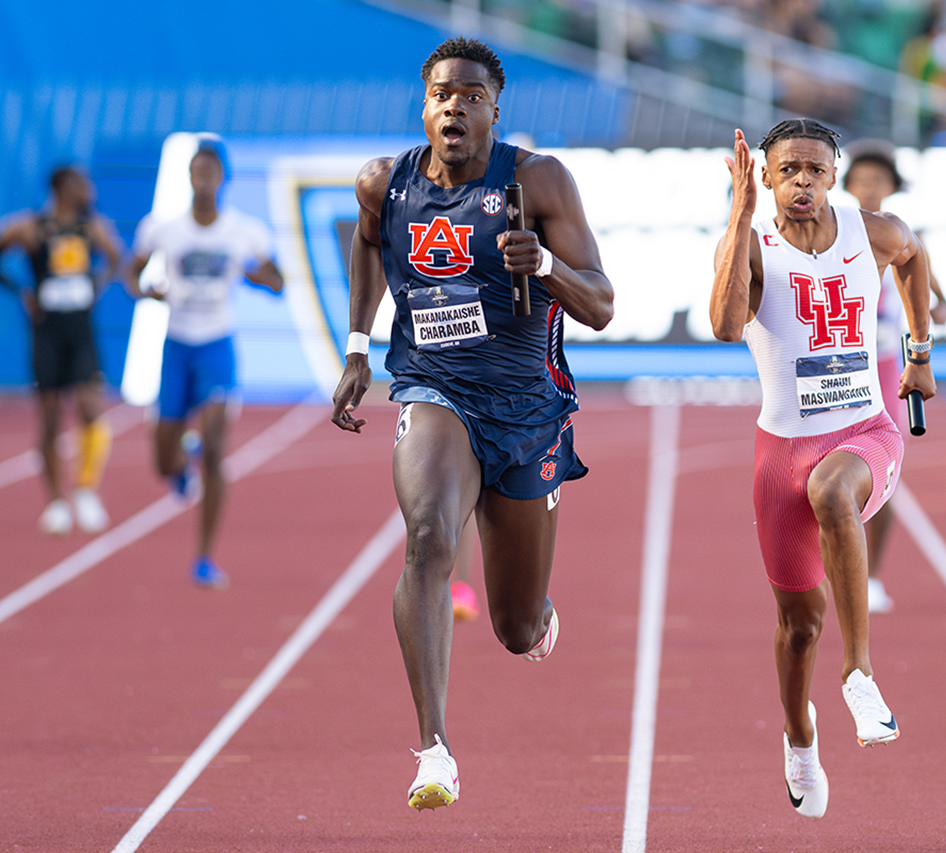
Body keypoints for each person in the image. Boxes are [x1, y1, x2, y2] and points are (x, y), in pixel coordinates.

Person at [329, 37, 613, 811]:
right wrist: (358, 346)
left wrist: (546, 268)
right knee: (428, 536)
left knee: (515, 626)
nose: (454, 105)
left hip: (527, 406)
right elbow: (366, 241)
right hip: (433, 387)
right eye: (441, 94)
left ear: (494, 109)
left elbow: (602, 303)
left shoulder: (537, 180)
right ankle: (435, 750)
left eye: (470, 95)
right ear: (424, 106)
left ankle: (537, 614)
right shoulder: (384, 184)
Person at [710, 120, 935, 819]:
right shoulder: (751, 243)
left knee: (835, 491)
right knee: (798, 625)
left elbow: (915, 256)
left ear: (833, 175)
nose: (802, 181)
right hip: (782, 450)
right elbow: (723, 326)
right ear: (767, 177)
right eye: (788, 170)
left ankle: (860, 672)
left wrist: (920, 350)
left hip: (866, 429)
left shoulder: (874, 231)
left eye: (814, 168)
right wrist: (738, 218)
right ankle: (798, 735)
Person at [125, 138, 284, 588]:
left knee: (216, 448)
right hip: (176, 346)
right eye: (197, 169)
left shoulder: (244, 231)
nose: (203, 177)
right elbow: (131, 274)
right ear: (189, 176)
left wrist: (259, 278)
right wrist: (145, 290)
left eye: (211, 170)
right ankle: (179, 465)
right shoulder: (162, 228)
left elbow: (278, 279)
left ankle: (204, 556)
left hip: (217, 346)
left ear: (223, 178)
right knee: (161, 458)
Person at [0, 166, 122, 535]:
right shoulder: (28, 227)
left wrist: (97, 285)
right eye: (80, 184)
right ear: (61, 187)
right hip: (47, 331)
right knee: (51, 417)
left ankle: (86, 488)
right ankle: (57, 500)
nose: (88, 190)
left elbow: (116, 258)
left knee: (90, 407)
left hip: (80, 329)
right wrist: (20, 291)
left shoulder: (94, 228)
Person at [840, 141, 946, 613]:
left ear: (891, 187)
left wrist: (929, 310)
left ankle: (871, 576)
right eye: (862, 179)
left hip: (884, 366)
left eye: (878, 180)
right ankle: (829, 572)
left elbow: (936, 299)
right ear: (847, 185)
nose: (869, 187)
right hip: (835, 362)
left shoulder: (903, 235)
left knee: (882, 473)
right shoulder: (830, 232)